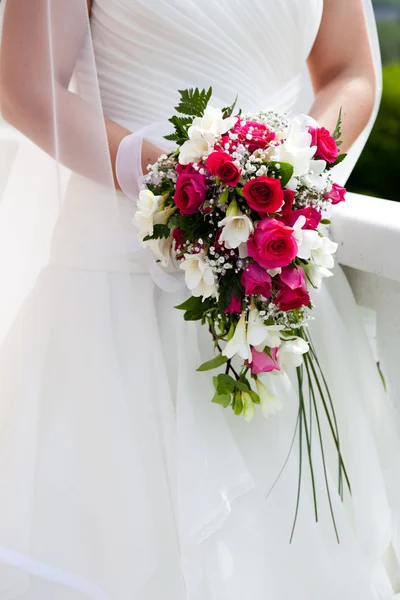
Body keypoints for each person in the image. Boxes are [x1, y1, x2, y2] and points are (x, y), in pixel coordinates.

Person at [0, 0, 399, 598]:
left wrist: (287, 167)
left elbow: (350, 70)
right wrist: (180, 181)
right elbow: (25, 86)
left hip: (273, 276)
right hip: (117, 285)